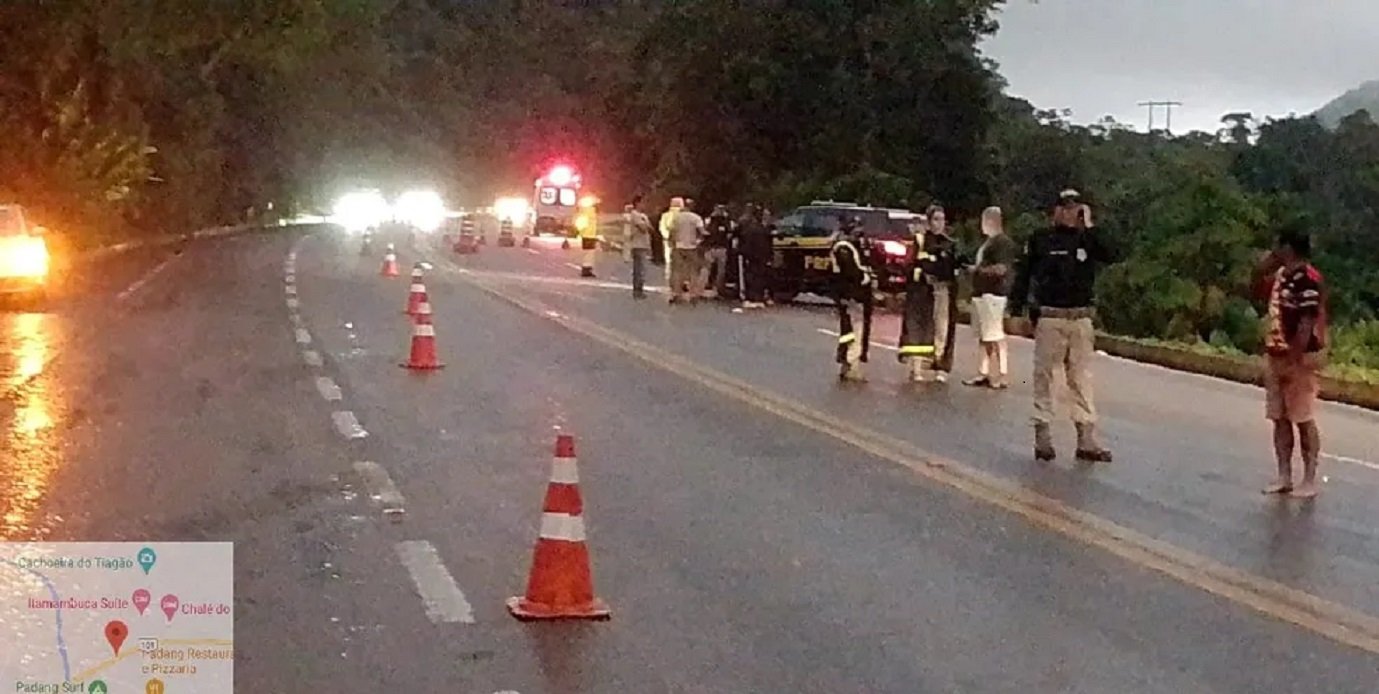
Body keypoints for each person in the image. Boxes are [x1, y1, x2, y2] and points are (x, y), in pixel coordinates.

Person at [1010, 189, 1118, 462]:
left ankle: (1086, 436)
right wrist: (1016, 309)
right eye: (1066, 208)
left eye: (1076, 209)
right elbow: (1024, 274)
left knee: (1081, 378)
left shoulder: (1087, 240)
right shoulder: (1041, 239)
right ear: (1056, 210)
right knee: (1044, 376)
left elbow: (1111, 254)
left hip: (1080, 318)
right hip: (1051, 316)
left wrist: (1090, 227)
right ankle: (1043, 433)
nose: (1071, 213)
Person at [1256, 226, 1328, 498]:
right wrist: (1261, 267)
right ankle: (1284, 475)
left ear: (1287, 247)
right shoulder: (1280, 276)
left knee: (1302, 417)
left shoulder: (1307, 279)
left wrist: (1294, 359)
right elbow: (1253, 290)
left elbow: (1307, 322)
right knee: (1279, 418)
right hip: (1275, 352)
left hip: (1299, 357)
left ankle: (1309, 478)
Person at [897, 205, 959, 382]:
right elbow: (909, 265)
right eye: (936, 219)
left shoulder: (949, 244)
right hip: (922, 292)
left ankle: (940, 366)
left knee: (942, 329)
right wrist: (921, 275)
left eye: (942, 219)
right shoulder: (920, 241)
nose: (939, 223)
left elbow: (953, 269)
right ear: (929, 221)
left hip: (942, 290)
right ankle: (916, 368)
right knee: (920, 327)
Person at [964, 206, 1018, 389]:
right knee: (984, 335)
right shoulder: (988, 243)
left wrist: (978, 270)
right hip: (980, 293)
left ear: (992, 221)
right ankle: (983, 371)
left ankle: (1003, 373)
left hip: (994, 294)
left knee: (995, 335)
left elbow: (1002, 269)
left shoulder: (1003, 243)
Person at [830, 216, 876, 381]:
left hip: (856, 295)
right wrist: (865, 277)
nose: (859, 233)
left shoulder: (855, 246)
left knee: (852, 330)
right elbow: (851, 272)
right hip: (851, 295)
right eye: (856, 229)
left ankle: (848, 363)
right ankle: (851, 365)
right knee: (854, 330)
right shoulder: (843, 248)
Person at [667, 198, 705, 303]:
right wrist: (698, 241)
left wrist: (672, 243)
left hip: (678, 247)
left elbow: (672, 232)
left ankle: (676, 294)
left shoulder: (677, 218)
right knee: (693, 271)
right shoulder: (696, 218)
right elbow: (702, 232)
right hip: (692, 247)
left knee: (677, 271)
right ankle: (693, 295)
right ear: (692, 207)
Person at [737, 204, 772, 309]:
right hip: (755, 257)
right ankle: (752, 298)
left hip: (757, 257)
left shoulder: (758, 228)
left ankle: (755, 298)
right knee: (754, 277)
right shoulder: (756, 229)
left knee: (757, 277)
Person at [622, 202, 654, 299]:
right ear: (638, 204)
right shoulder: (634, 215)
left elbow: (651, 228)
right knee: (639, 269)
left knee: (641, 269)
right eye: (642, 203)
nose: (644, 205)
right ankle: (637, 290)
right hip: (637, 244)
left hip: (644, 244)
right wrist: (646, 225)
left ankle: (640, 289)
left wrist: (647, 226)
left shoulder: (643, 216)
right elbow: (644, 228)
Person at [701, 204, 734, 299]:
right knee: (716, 270)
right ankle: (714, 289)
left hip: (714, 248)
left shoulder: (710, 221)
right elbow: (729, 235)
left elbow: (705, 233)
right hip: (718, 248)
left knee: (711, 269)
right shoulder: (725, 222)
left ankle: (711, 288)